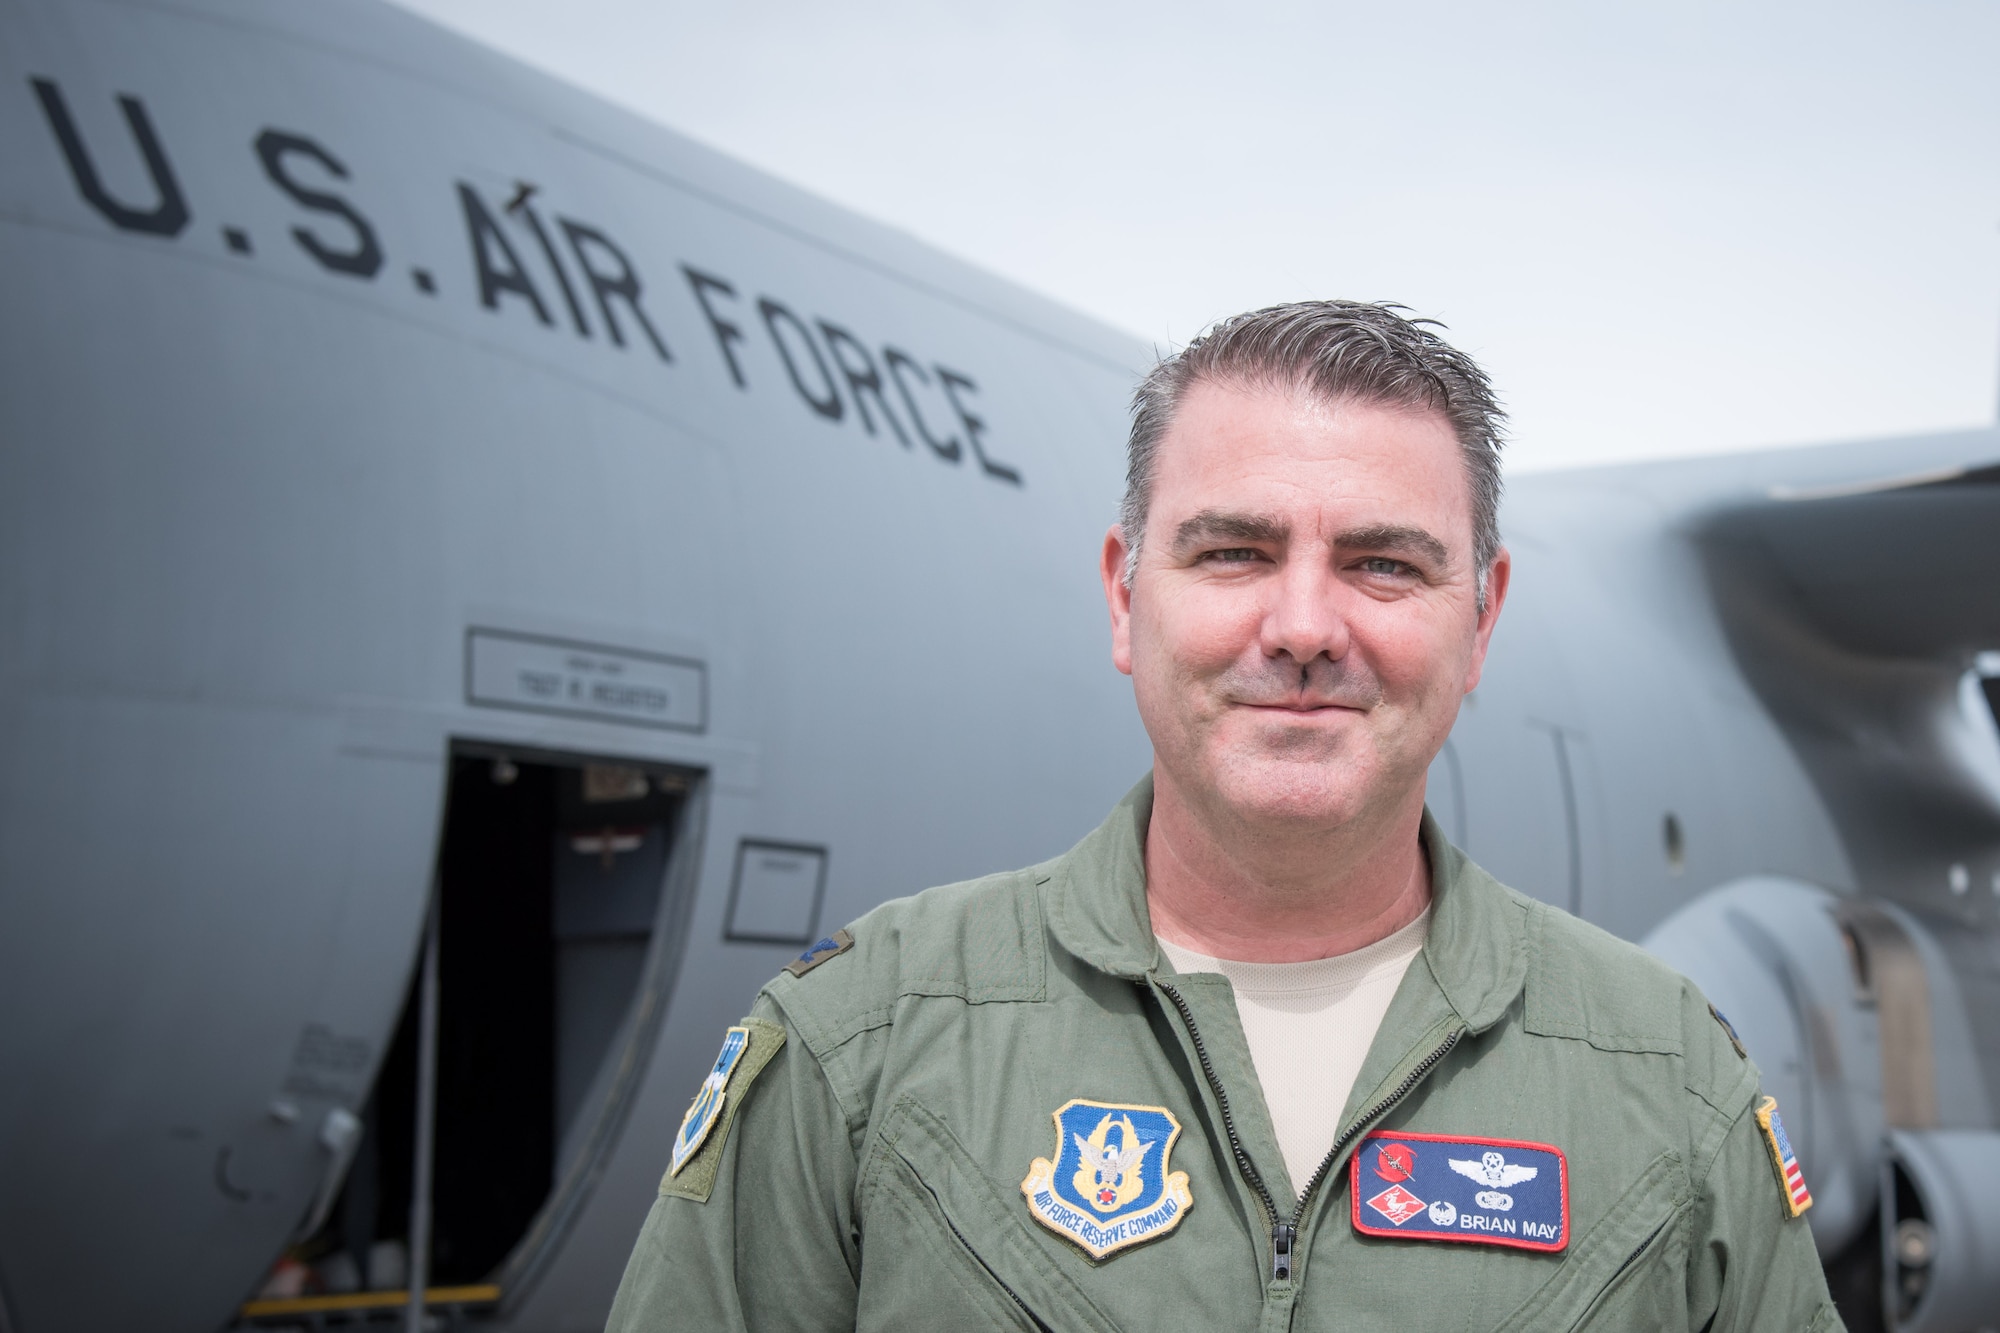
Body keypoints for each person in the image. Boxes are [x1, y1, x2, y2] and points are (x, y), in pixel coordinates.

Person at [606, 301, 1843, 1331]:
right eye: (1233, 553)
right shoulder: (863, 1047)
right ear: (1121, 594)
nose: (1303, 626)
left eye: (1385, 564)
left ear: (1482, 619)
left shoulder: (1665, 1081)